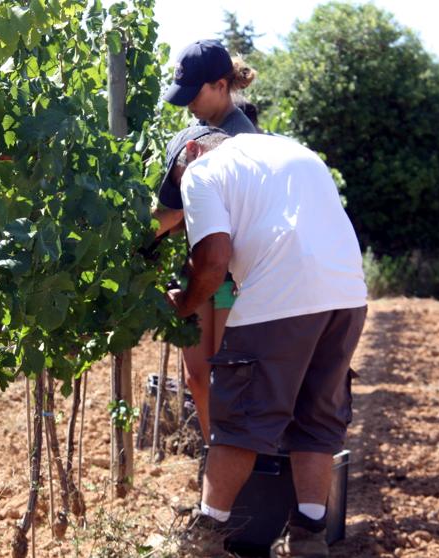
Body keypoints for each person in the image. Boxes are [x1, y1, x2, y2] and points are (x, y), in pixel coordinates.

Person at [161, 126, 368, 558]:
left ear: (193, 150)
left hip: (282, 293)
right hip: (347, 293)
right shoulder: (292, 151)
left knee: (240, 420)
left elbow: (213, 262)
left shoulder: (201, 171)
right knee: (316, 419)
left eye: (176, 179)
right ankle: (310, 537)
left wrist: (184, 305)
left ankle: (205, 538)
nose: (182, 194)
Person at [153, 39, 257, 447]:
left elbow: (180, 213)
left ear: (220, 84)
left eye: (194, 93)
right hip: (199, 265)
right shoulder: (195, 131)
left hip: (229, 274)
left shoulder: (238, 137)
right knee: (197, 375)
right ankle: (217, 453)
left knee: (222, 373)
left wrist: (139, 237)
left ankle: (234, 462)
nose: (187, 104)